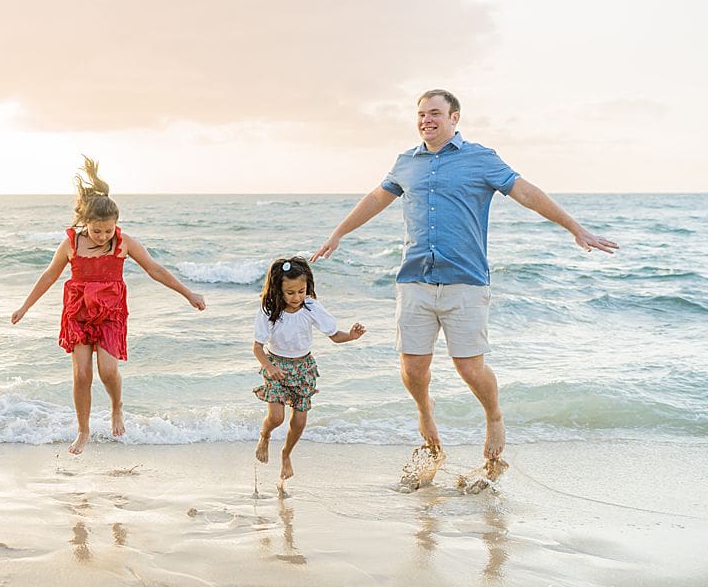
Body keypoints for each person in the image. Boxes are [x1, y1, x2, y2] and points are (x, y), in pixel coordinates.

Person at [311, 89, 616, 488]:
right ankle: (425, 409)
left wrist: (575, 228)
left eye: (435, 113)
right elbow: (375, 198)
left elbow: (527, 193)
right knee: (412, 368)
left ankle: (494, 417)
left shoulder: (481, 159)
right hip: (415, 280)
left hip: (466, 282)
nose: (426, 120)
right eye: (421, 114)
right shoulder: (406, 162)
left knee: (469, 367)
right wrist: (339, 233)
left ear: (455, 118)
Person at [11, 157, 206, 454]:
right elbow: (49, 275)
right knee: (81, 374)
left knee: (108, 370)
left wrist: (187, 293)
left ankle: (117, 406)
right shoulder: (71, 244)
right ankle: (83, 430)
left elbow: (155, 269)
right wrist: (25, 307)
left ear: (116, 224)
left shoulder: (124, 242)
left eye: (108, 231)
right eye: (96, 231)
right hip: (77, 312)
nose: (103, 236)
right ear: (85, 222)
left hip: (111, 312)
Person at [253, 257, 366, 485]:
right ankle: (264, 436)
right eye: (290, 292)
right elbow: (257, 348)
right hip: (277, 366)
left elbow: (334, 336)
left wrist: (351, 336)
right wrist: (269, 367)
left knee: (300, 422)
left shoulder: (311, 307)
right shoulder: (269, 311)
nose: (296, 297)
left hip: (304, 368)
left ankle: (286, 454)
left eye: (301, 291)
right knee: (276, 417)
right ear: (278, 290)